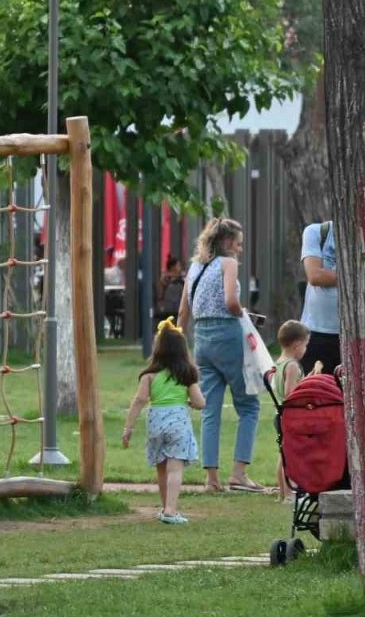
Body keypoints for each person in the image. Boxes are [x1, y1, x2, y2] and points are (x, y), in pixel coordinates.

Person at [179, 218, 264, 493]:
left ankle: (211, 479)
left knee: (210, 410)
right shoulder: (228, 264)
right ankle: (239, 473)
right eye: (238, 244)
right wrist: (245, 315)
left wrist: (182, 346)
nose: (239, 250)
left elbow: (183, 312)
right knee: (249, 405)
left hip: (201, 337)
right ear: (227, 243)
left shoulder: (194, 268)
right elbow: (230, 301)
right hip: (227, 334)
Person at [121, 317, 205, 525]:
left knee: (161, 467)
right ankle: (171, 510)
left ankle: (164, 507)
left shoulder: (149, 375)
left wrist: (128, 427)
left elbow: (139, 400)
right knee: (175, 469)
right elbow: (200, 402)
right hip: (178, 423)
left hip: (155, 423)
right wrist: (188, 401)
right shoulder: (186, 374)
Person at [272, 320, 319, 500]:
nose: (306, 349)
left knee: (283, 454)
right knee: (290, 455)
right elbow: (290, 393)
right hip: (290, 416)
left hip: (281, 414)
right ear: (297, 344)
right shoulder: (291, 365)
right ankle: (289, 492)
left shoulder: (279, 362)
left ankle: (283, 493)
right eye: (306, 345)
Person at [300, 221, 340, 375]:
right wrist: (359, 276)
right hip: (317, 332)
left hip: (357, 335)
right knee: (316, 393)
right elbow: (315, 276)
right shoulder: (318, 231)